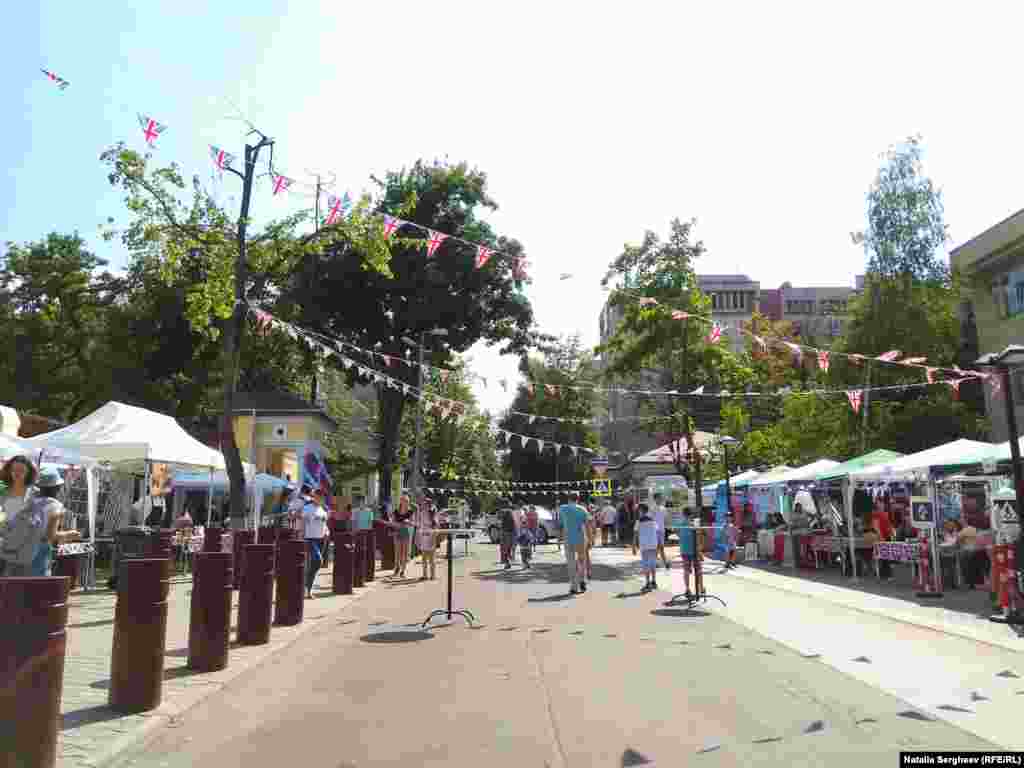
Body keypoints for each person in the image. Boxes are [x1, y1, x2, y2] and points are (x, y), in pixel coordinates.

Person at [1, 466, 80, 577]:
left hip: (16, 554)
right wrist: (69, 534)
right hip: (37, 554)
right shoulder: (56, 506)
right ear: (57, 488)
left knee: (16, 588)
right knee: (36, 588)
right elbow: (50, 535)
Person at [559, 493, 589, 595]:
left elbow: (560, 525)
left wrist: (559, 538)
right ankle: (582, 580)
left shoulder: (562, 508)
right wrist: (590, 538)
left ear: (568, 499)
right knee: (581, 561)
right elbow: (587, 524)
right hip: (580, 538)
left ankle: (574, 587)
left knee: (571, 563)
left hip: (568, 538)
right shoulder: (582, 509)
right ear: (578, 499)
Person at [302, 489, 329, 598]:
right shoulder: (307, 508)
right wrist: (302, 535)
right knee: (318, 561)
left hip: (321, 539)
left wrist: (327, 531)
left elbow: (324, 524)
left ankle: (308, 589)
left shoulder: (323, 510)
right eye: (319, 496)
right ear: (314, 496)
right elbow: (302, 522)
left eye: (322, 497)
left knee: (316, 564)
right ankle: (306, 586)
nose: (321, 499)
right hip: (310, 539)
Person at [633, 504, 659, 591]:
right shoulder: (653, 520)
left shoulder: (638, 521)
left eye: (639, 510)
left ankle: (648, 583)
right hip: (653, 544)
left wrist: (634, 546)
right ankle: (654, 581)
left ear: (641, 511)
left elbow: (635, 534)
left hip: (644, 545)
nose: (638, 512)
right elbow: (657, 532)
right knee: (653, 563)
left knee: (646, 564)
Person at [677, 508, 697, 599]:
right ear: (691, 514)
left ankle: (687, 589)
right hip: (693, 550)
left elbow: (678, 533)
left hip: (684, 550)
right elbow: (697, 535)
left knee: (686, 571)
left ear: (683, 514)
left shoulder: (680, 524)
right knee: (698, 570)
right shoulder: (693, 524)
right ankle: (699, 588)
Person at [415, 501, 438, 580]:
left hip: (431, 536)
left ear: (428, 506)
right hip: (423, 536)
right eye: (423, 504)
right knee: (424, 558)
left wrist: (434, 538)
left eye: (425, 505)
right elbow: (419, 525)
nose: (423, 506)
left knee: (431, 558)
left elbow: (436, 528)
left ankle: (433, 575)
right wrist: (418, 537)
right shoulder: (421, 514)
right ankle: (425, 575)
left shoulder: (433, 515)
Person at [393, 494, 414, 578]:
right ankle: (397, 567)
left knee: (404, 552)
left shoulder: (410, 512)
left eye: (406, 501)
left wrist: (408, 522)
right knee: (397, 552)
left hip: (406, 532)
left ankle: (403, 570)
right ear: (401, 501)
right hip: (398, 532)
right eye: (403, 500)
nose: (404, 502)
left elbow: (413, 523)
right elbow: (393, 522)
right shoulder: (396, 511)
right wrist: (396, 524)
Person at [651, 493, 671, 570]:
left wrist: (668, 526)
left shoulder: (663, 508)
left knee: (660, 547)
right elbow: (651, 519)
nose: (660, 499)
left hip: (662, 530)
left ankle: (659, 562)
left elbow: (665, 519)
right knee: (657, 547)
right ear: (655, 499)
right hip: (655, 530)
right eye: (659, 498)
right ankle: (664, 562)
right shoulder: (652, 508)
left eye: (661, 498)